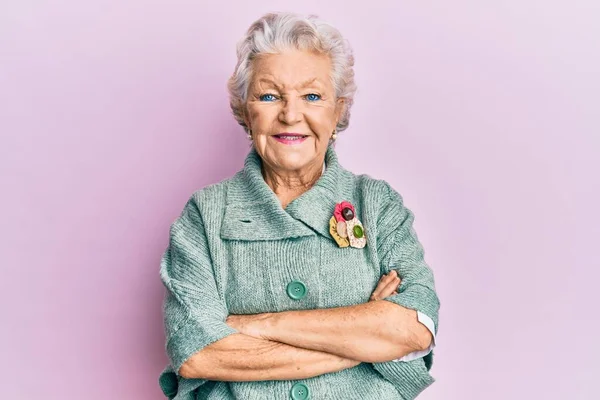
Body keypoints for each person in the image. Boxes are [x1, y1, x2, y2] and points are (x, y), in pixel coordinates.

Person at [158, 11, 440, 400]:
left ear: (338, 110)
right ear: (244, 109)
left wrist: (255, 324)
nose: (291, 115)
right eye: (269, 95)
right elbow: (198, 353)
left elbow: (413, 329)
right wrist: (361, 341)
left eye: (312, 96)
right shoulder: (204, 216)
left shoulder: (377, 206)